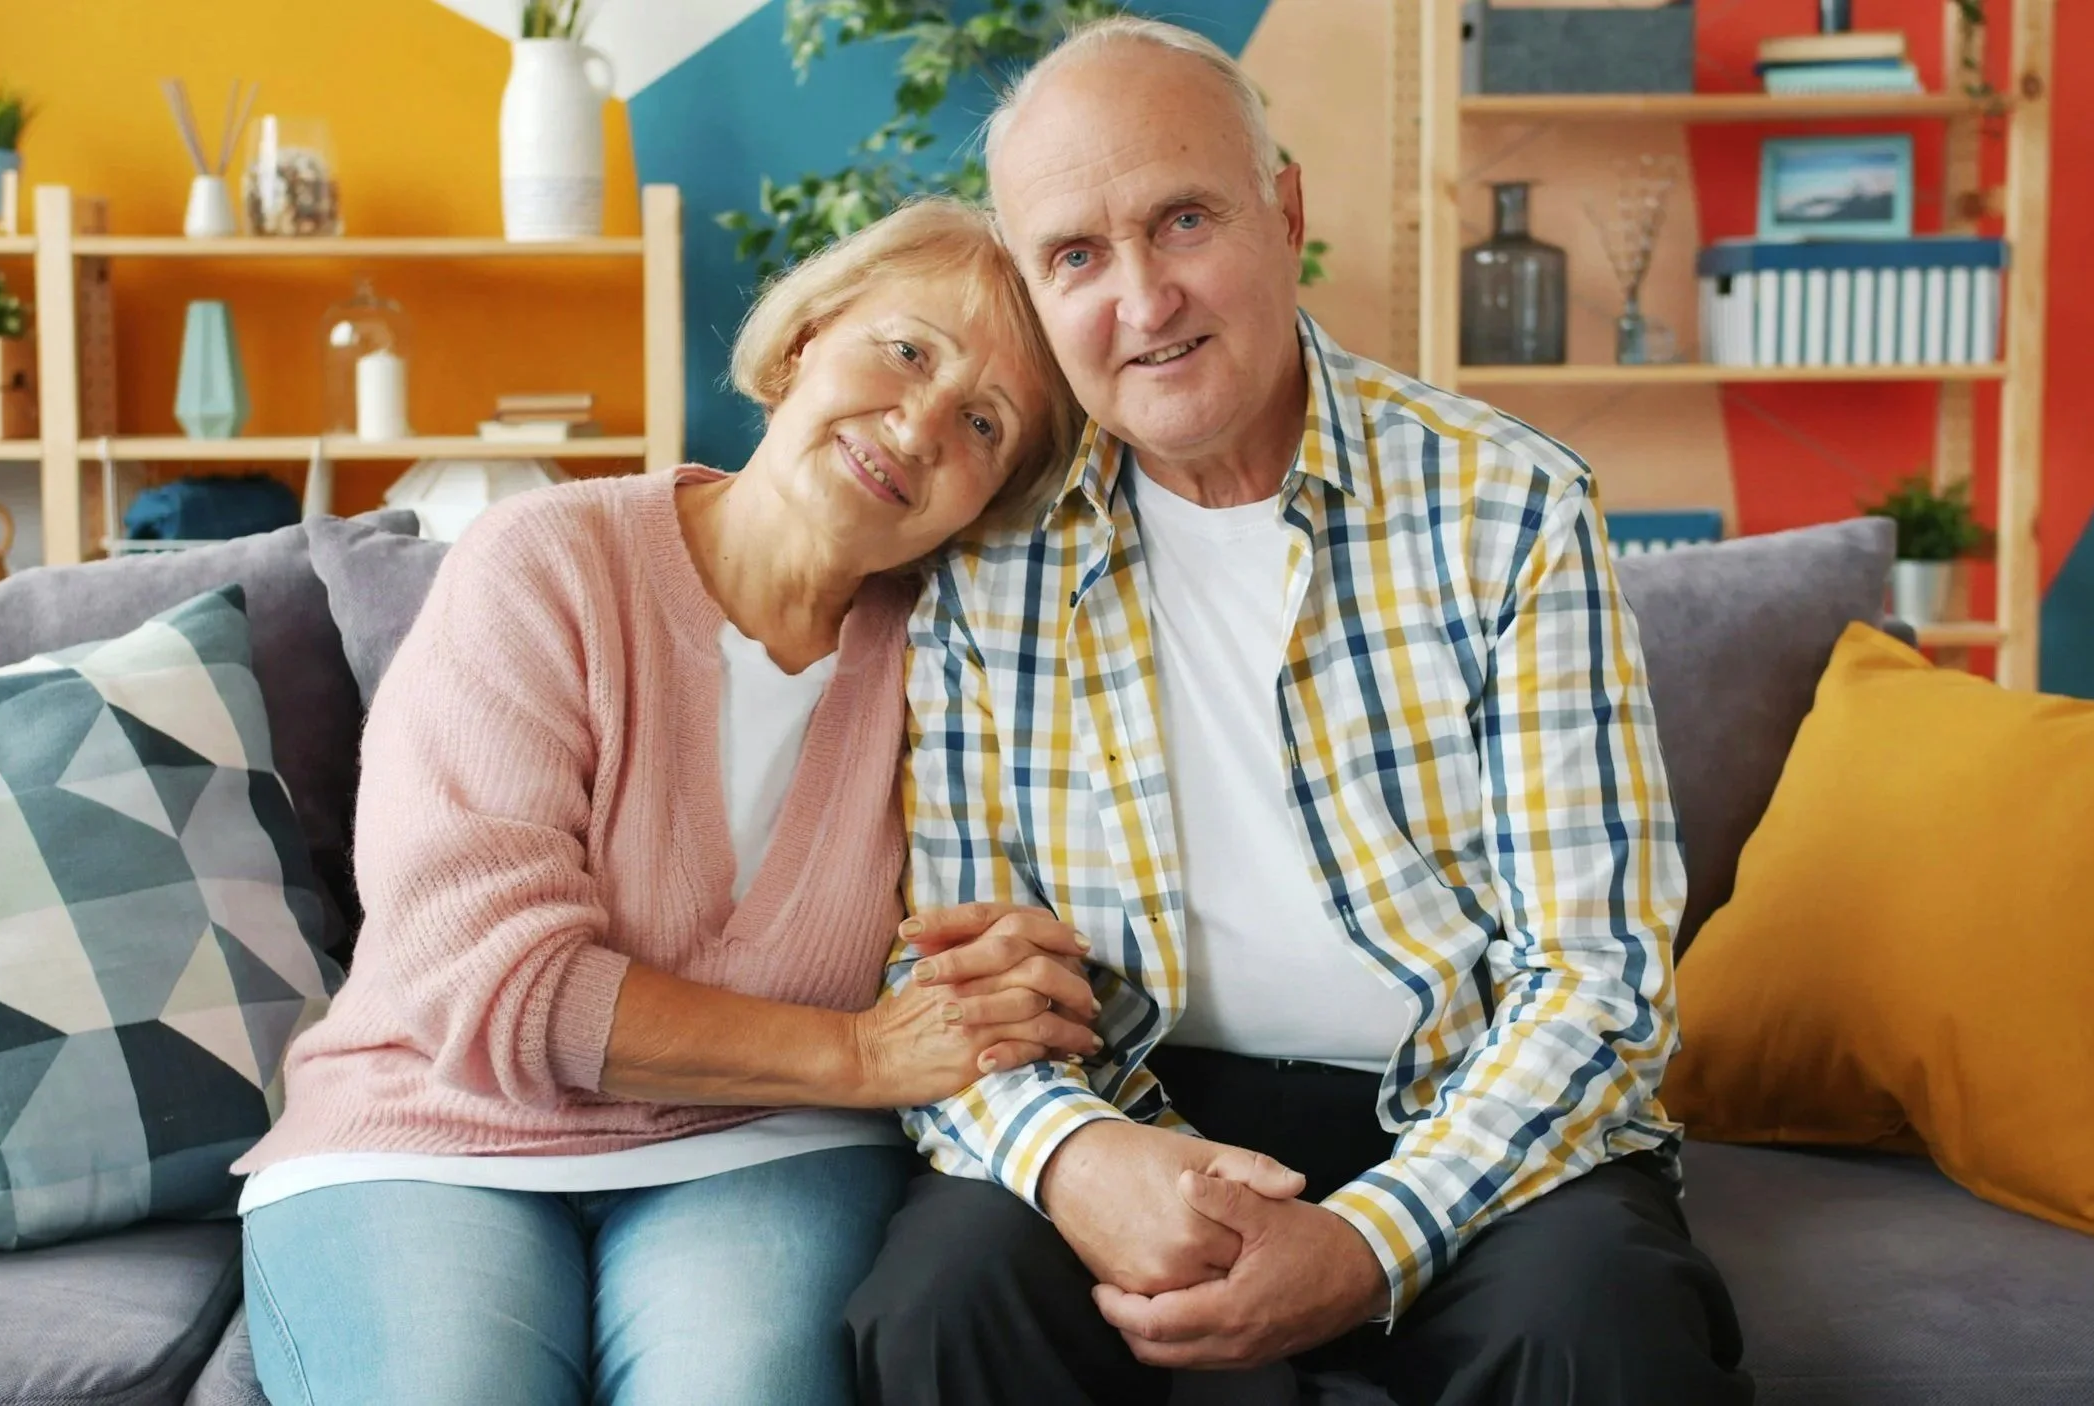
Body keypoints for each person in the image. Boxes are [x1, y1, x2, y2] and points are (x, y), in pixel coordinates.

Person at [846, 19, 1752, 1406]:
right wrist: (1082, 1160)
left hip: (1469, 1101)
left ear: (1286, 213)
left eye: (1184, 219)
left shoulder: (1508, 508)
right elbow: (952, 984)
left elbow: (1601, 972)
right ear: (1034, 291)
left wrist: (1367, 1236)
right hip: (1136, 1099)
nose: (1143, 300)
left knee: (1596, 1332)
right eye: (1077, 256)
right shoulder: (983, 560)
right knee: (939, 1304)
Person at [232, 197, 1092, 1406]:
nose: (916, 422)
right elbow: (490, 982)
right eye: (905, 349)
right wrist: (858, 1050)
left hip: (764, 1146)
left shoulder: (962, 654)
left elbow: (996, 940)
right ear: (805, 342)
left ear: (989, 497)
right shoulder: (542, 559)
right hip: (430, 1125)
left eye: (984, 421)